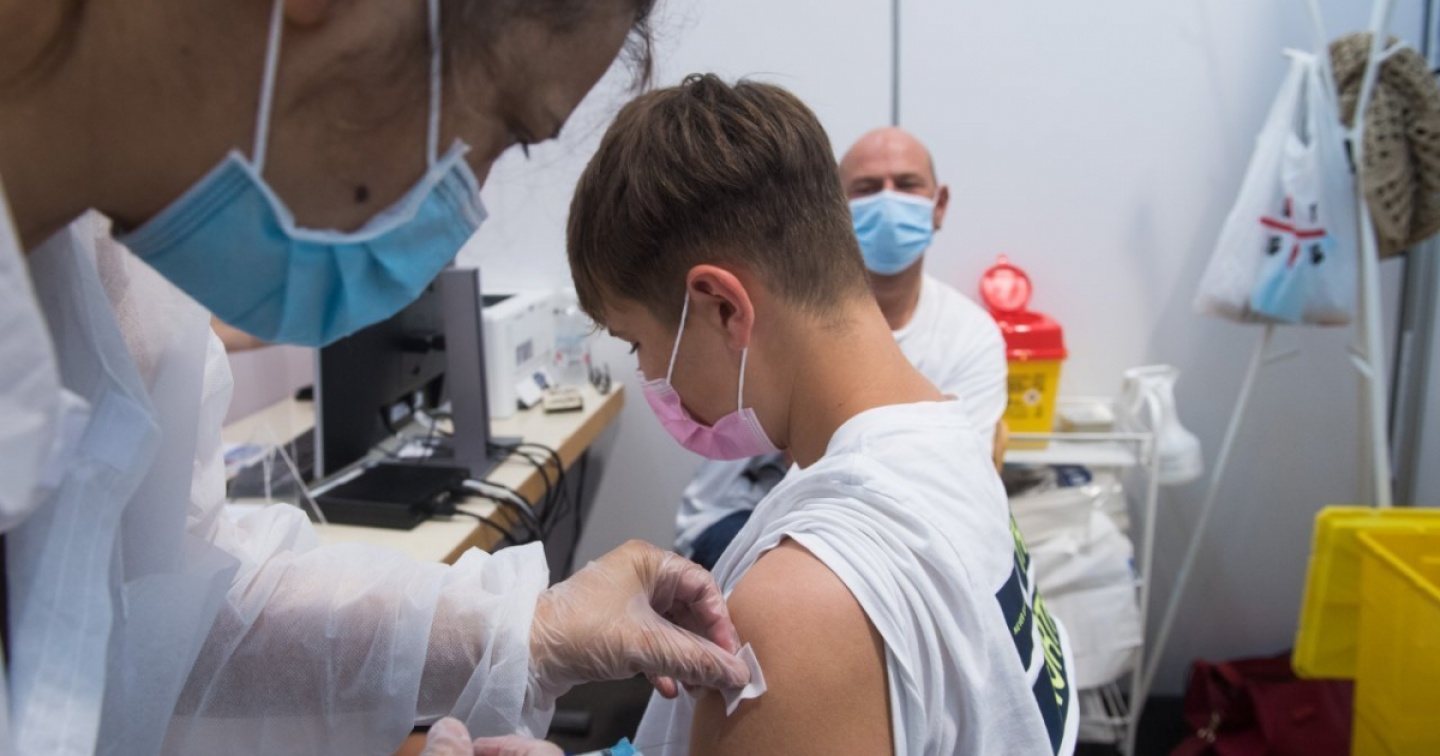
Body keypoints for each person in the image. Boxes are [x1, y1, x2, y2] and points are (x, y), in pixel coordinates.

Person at [0, 1, 749, 753]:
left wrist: (530, 630)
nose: (464, 202)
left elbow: (169, 607)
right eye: (508, 127)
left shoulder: (115, 295)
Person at [564, 75, 1078, 754]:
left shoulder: (801, 609)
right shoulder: (945, 439)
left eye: (637, 342)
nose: (648, 374)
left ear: (723, 307)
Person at [675, 126, 1007, 570]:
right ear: (833, 209)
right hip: (748, 520)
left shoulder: (970, 335)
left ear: (939, 204)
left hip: (888, 542)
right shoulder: (779, 320)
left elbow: (954, 489)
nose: (888, 203)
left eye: (907, 185)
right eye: (866, 189)